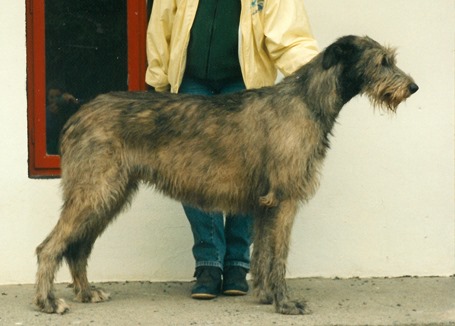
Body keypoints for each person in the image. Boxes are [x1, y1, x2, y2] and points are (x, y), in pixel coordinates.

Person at [145, 0, 319, 300]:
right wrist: (158, 79)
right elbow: (161, 24)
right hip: (192, 82)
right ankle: (209, 264)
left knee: (252, 174)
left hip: (245, 83)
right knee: (194, 172)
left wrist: (317, 76)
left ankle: (237, 264)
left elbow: (291, 37)